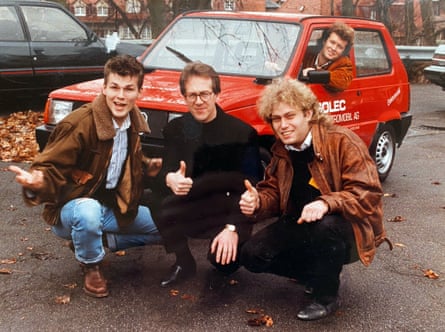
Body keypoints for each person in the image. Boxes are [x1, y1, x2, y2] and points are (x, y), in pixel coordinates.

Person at [8, 55, 161, 298]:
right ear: (104, 87)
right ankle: (91, 264)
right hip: (74, 207)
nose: (121, 96)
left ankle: (96, 242)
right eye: (115, 87)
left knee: (165, 226)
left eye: (128, 89)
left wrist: (148, 166)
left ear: (139, 92)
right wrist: (38, 181)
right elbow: (49, 164)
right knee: (88, 212)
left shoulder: (133, 121)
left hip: (112, 205)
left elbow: (119, 157)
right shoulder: (80, 123)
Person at [239, 78, 389, 321]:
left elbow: (367, 193)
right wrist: (258, 202)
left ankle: (326, 296)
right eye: (276, 119)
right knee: (252, 255)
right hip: (301, 223)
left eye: (290, 116)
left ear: (308, 113)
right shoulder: (281, 150)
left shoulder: (342, 141)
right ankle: (318, 272)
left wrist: (327, 202)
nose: (283, 125)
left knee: (325, 227)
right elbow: (274, 193)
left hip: (346, 226)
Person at [155, 61, 262, 288]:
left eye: (204, 93)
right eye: (192, 95)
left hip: (230, 211)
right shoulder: (175, 129)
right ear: (184, 97)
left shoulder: (243, 133)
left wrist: (232, 228)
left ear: (216, 94)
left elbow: (251, 188)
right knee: (157, 200)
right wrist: (170, 179)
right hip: (193, 207)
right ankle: (184, 262)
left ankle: (228, 247)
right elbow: (166, 169)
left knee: (223, 266)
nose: (199, 101)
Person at [300, 21, 354, 92]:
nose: (334, 48)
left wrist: (314, 73)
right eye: (332, 42)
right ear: (324, 41)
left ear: (343, 51)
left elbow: (342, 81)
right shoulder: (306, 53)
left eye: (340, 47)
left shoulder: (345, 63)